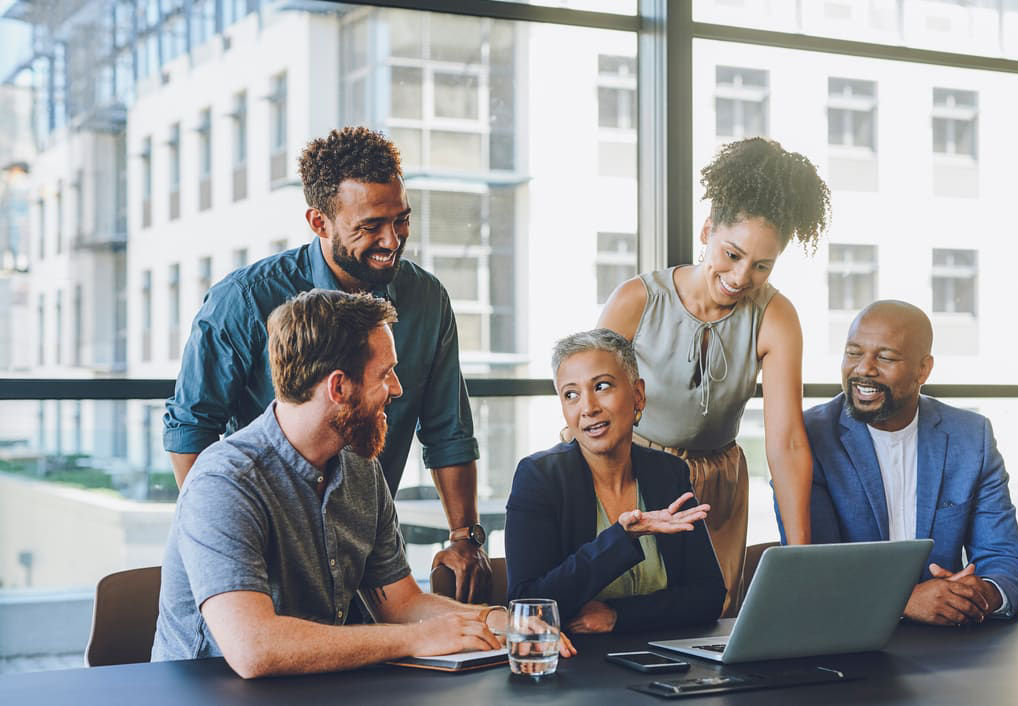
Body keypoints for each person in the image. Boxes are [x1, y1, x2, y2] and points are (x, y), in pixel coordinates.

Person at [152, 289, 574, 676]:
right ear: (339, 386)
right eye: (385, 373)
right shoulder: (224, 481)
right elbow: (253, 649)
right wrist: (419, 638)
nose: (397, 388)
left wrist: (493, 620)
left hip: (318, 688)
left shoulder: (358, 465)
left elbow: (402, 603)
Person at [163, 127, 488, 600]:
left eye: (402, 221)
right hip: (267, 551)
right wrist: (226, 538)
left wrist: (465, 536)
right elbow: (192, 425)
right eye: (370, 226)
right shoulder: (245, 300)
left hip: (365, 552)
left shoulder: (426, 299)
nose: (392, 240)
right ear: (319, 222)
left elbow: (448, 431)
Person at [598, 137, 831, 614]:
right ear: (707, 230)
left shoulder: (777, 317)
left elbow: (786, 442)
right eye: (732, 253)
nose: (743, 275)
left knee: (709, 618)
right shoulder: (635, 301)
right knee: (627, 611)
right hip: (633, 474)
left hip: (718, 483)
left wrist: (803, 558)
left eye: (762, 265)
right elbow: (585, 405)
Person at [794, 300, 1018, 625]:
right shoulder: (809, 437)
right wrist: (904, 601)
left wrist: (978, 595)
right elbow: (812, 571)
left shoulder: (970, 436)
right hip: (844, 640)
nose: (864, 368)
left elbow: (1005, 560)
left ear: (923, 369)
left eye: (885, 357)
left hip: (948, 646)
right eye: (853, 353)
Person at [505, 329, 726, 633]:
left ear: (638, 395)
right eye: (571, 394)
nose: (588, 407)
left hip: (666, 661)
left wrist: (619, 617)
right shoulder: (539, 477)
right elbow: (527, 604)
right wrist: (622, 538)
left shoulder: (669, 473)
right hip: (579, 666)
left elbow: (708, 597)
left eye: (602, 386)